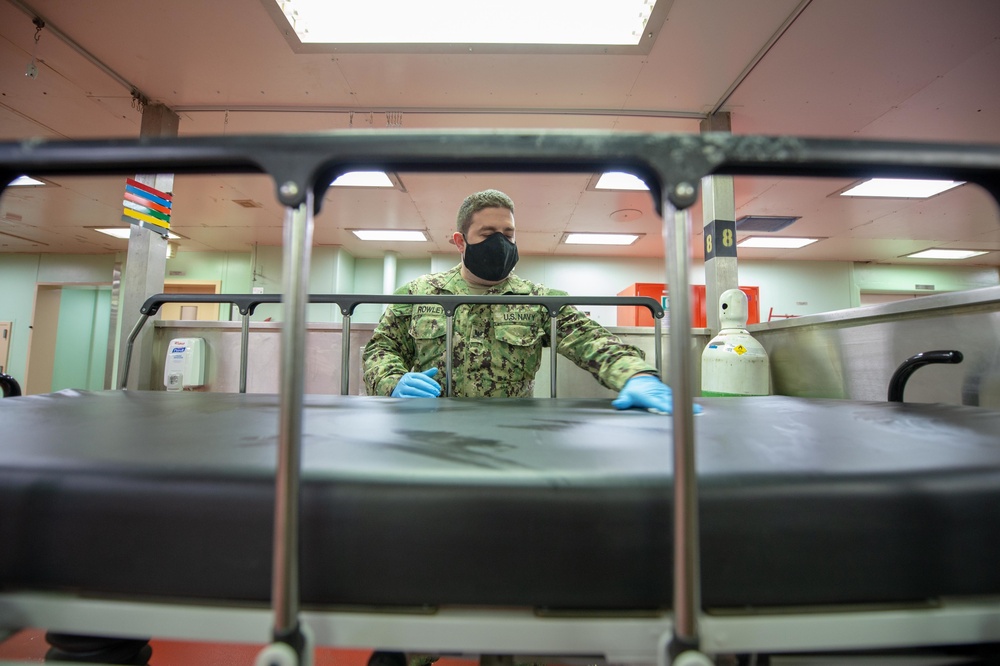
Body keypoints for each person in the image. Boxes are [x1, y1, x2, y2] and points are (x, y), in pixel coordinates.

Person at [362, 189, 679, 414]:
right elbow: (382, 347)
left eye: (508, 234)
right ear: (460, 241)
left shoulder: (539, 301)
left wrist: (637, 376)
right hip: (433, 428)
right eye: (488, 233)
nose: (500, 243)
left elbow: (592, 340)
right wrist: (392, 382)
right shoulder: (419, 293)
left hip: (514, 430)